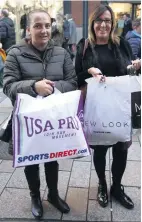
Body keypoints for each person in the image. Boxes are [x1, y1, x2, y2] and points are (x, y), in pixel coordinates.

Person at [3, 9, 77, 219]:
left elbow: (72, 82)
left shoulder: (61, 53)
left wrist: (52, 88)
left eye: (47, 25)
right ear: (28, 29)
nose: (43, 30)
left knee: (52, 158)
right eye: (38, 26)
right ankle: (35, 196)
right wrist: (34, 87)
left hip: (53, 120)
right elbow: (8, 86)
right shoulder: (15, 53)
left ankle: (53, 194)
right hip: (28, 121)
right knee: (31, 160)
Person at [75, 4, 141, 210]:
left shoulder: (121, 43)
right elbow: (75, 77)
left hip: (120, 107)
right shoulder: (84, 45)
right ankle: (102, 185)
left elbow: (129, 70)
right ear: (93, 23)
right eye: (99, 20)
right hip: (98, 108)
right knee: (101, 149)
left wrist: (135, 67)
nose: (103, 24)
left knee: (121, 149)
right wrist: (89, 72)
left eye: (108, 20)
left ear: (113, 24)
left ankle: (117, 187)